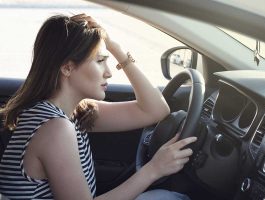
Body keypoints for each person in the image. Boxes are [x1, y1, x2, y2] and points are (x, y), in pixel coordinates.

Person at [0, 14, 196, 200]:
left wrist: (114, 47)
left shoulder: (75, 111)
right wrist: (154, 170)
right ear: (67, 68)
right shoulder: (55, 128)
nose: (109, 73)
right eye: (100, 61)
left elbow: (155, 110)